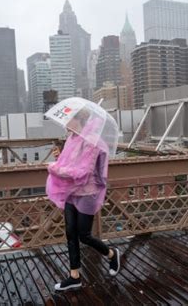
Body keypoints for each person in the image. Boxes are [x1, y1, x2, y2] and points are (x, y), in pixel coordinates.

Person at [46, 110, 120, 291]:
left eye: (69, 118)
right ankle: (74, 276)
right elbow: (71, 163)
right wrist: (59, 158)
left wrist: (54, 169)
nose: (65, 122)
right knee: (70, 233)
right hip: (72, 191)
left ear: (79, 120)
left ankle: (111, 254)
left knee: (84, 235)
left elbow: (83, 172)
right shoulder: (72, 138)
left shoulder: (92, 142)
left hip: (88, 193)